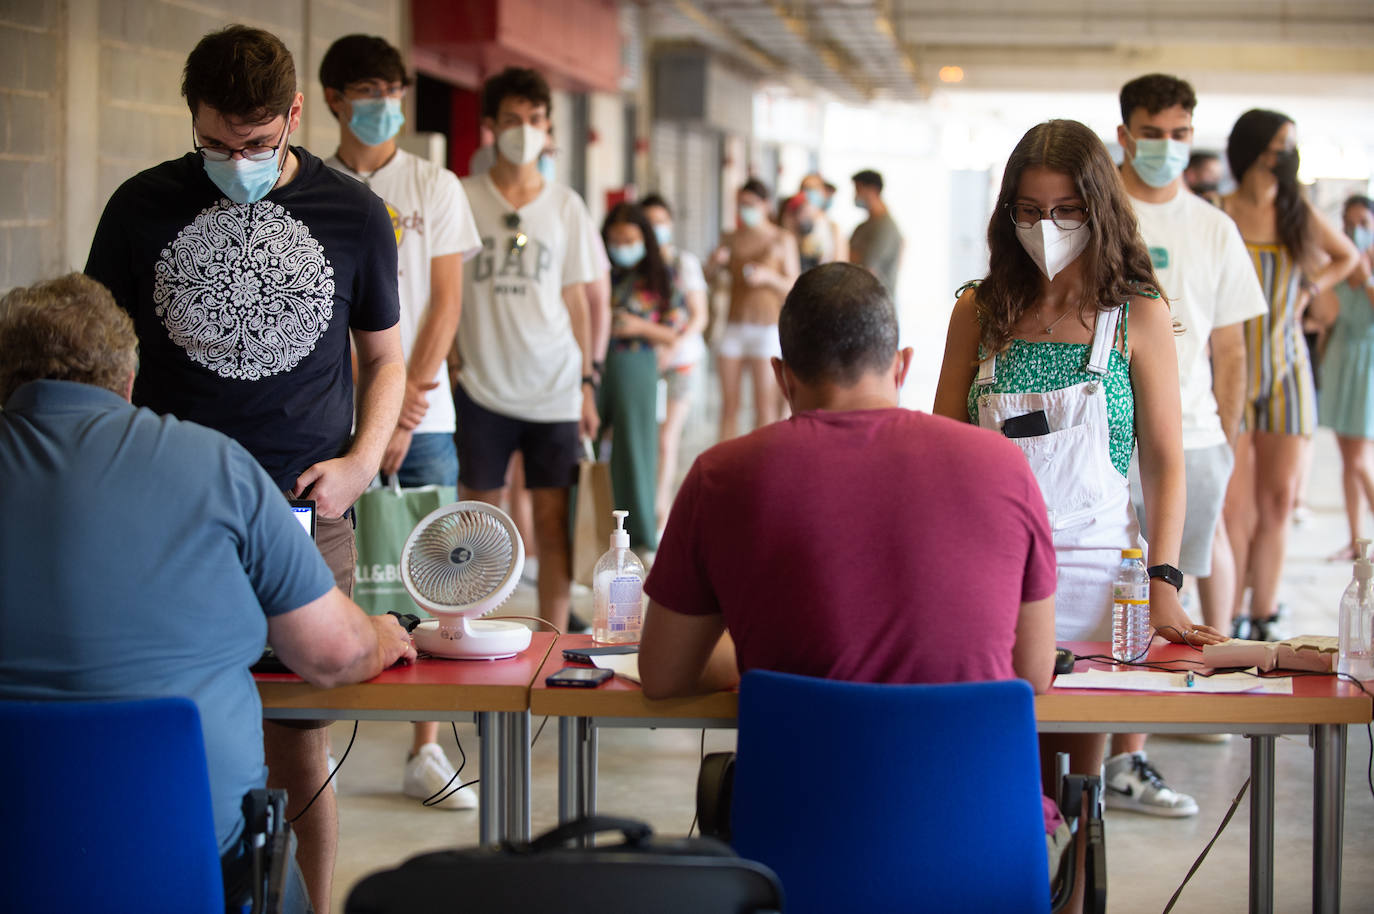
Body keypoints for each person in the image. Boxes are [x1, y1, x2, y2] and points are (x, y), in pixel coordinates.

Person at [83, 26, 405, 913]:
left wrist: (360, 461)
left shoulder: (353, 212)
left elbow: (385, 358)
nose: (237, 163)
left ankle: (312, 904)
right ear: (191, 119)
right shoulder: (139, 208)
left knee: (296, 737)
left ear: (296, 116)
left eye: (258, 145)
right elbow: (97, 361)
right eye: (217, 144)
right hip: (165, 512)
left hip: (305, 505)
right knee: (168, 723)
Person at [0, 274, 417, 914]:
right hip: (201, 872)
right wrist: (381, 635)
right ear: (128, 378)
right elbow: (333, 655)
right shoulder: (216, 465)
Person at [639, 262, 1065, 879]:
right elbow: (1033, 672)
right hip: (981, 857)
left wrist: (775, 651)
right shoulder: (1004, 466)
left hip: (800, 859)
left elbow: (663, 673)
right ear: (903, 365)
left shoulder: (722, 476)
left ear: (781, 377)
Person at [932, 119, 1226, 822]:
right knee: (992, 782)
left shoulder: (1136, 315)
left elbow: (1163, 464)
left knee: (1072, 789)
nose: (1048, 225)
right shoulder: (979, 309)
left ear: (1098, 207)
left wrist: (1164, 585)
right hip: (984, 574)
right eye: (1030, 211)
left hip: (1094, 577)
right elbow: (939, 450)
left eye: (1066, 210)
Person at [319, 34, 482, 811]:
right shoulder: (310, 187)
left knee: (437, 571)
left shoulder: (434, 184)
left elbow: (445, 299)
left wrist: (411, 396)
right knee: (335, 568)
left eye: (393, 89)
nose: (383, 104)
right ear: (331, 101)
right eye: (366, 90)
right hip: (335, 417)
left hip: (428, 413)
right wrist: (374, 411)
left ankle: (427, 746)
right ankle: (316, 733)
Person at [1116, 75, 1268, 652]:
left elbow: (1230, 350)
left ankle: (1212, 676)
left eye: (1178, 133)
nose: (1166, 146)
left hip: (1196, 434)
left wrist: (1224, 436)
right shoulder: (1100, 217)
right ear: (1124, 136)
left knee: (1197, 561)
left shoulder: (1214, 229)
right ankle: (1131, 723)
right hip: (1110, 427)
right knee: (1124, 575)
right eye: (1151, 133)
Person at [455, 66, 602, 632]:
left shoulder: (566, 205)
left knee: (551, 521)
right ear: (490, 127)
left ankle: (556, 641)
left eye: (536, 120)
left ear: (548, 128)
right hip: (482, 384)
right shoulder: (462, 196)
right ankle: (471, 627)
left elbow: (577, 300)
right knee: (480, 518)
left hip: (555, 387)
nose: (525, 130)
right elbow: (445, 290)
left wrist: (588, 382)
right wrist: (448, 362)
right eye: (512, 120)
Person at [1219, 109, 1358, 640]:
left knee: (1278, 502)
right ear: (1256, 149)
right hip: (1230, 371)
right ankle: (1227, 615)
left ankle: (1264, 614)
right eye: (1282, 144)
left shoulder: (1296, 212)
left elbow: (1346, 256)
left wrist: (1309, 289)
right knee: (1235, 508)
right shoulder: (1221, 212)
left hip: (1288, 368)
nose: (1289, 154)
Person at [598, 202, 687, 551]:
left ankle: (639, 537)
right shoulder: (597, 271)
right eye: (615, 238)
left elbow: (674, 331)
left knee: (636, 450)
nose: (621, 245)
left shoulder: (661, 275)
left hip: (637, 363)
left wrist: (637, 326)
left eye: (630, 239)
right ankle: (587, 529)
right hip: (594, 364)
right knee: (584, 450)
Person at [708, 179, 800, 440]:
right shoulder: (729, 238)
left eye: (750, 204)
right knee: (728, 406)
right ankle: (726, 464)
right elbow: (707, 277)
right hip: (734, 324)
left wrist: (768, 277)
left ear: (765, 204)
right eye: (740, 204)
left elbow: (793, 285)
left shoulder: (782, 239)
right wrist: (715, 262)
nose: (744, 209)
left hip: (767, 327)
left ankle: (763, 464)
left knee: (765, 405)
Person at [640, 194, 709, 527]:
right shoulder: (634, 268)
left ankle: (660, 509)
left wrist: (672, 346)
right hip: (643, 365)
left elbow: (699, 316)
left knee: (666, 440)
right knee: (645, 439)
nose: (656, 229)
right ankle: (642, 505)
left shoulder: (685, 264)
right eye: (649, 222)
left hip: (680, 362)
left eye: (661, 222)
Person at [1316, 196, 1374, 559]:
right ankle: (1357, 541)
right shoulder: (1341, 268)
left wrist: (1365, 275)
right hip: (1339, 361)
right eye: (1349, 223)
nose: (1356, 230)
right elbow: (1323, 315)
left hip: (1368, 365)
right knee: (1346, 459)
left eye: (1364, 223)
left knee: (1359, 459)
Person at [848, 169, 903, 296]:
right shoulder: (862, 227)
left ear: (873, 190)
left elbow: (867, 268)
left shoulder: (885, 228)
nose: (855, 195)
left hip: (875, 303)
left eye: (858, 189)